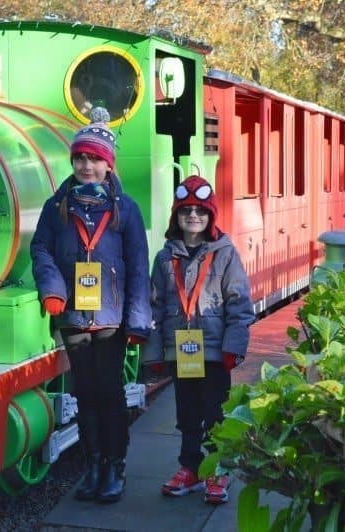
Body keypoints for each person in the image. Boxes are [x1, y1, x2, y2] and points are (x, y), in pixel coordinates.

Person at [30, 117, 151, 503]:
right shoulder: (56, 207)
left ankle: (116, 466)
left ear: (108, 164)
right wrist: (52, 289)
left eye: (94, 159)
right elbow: (41, 250)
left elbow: (137, 265)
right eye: (80, 158)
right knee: (85, 392)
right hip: (75, 316)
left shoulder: (126, 211)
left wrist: (137, 322)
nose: (86, 166)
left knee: (109, 392)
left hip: (112, 318)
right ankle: (94, 465)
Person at [142, 175, 255, 505]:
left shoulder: (225, 254)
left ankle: (217, 467)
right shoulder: (164, 259)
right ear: (177, 217)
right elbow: (155, 305)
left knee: (215, 412)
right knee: (187, 412)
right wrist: (156, 351)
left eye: (200, 211)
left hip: (216, 351)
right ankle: (190, 467)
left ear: (211, 217)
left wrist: (234, 346)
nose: (193, 216)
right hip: (182, 350)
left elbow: (239, 303)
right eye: (186, 211)